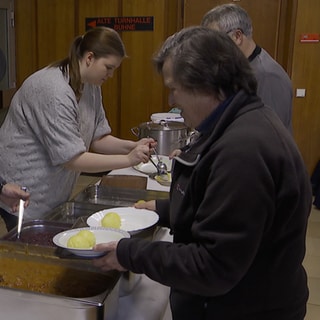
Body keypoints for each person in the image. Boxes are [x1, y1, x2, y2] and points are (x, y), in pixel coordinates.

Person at [92, 26, 312, 320]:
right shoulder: (240, 123)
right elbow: (221, 207)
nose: (171, 100)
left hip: (248, 308)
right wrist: (163, 209)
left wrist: (128, 253)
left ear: (206, 84)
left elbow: (212, 266)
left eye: (174, 88)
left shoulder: (243, 151)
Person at [0, 27, 154, 230]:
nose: (111, 75)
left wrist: (132, 146)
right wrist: (128, 159)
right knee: (31, 251)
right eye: (108, 67)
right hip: (23, 190)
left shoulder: (91, 86)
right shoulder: (54, 90)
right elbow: (71, 159)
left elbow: (97, 139)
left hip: (52, 190)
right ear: (89, 57)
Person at [201, 3, 293, 132]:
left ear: (237, 37)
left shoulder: (268, 76)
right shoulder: (236, 68)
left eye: (215, 41)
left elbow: (269, 135)